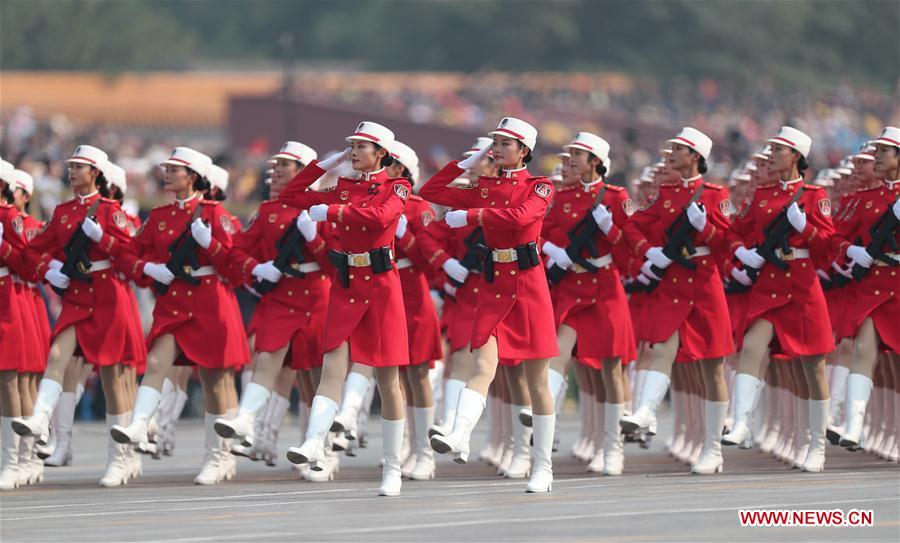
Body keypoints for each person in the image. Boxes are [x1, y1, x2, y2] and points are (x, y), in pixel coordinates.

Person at [419, 117, 559, 493]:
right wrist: (467, 162)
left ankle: (542, 466)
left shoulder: (540, 185)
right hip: (495, 284)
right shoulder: (483, 187)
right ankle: (459, 432)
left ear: (524, 150)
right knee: (483, 364)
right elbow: (431, 189)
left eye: (504, 143)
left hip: (529, 286)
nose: (496, 148)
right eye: (493, 142)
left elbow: (522, 217)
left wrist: (474, 215)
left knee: (537, 381)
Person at [279, 122, 412, 497]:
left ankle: (392, 468)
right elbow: (292, 195)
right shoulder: (343, 186)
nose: (353, 152)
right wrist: (324, 165)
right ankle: (313, 441)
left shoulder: (397, 186)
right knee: (332, 367)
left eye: (360, 147)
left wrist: (333, 211)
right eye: (350, 146)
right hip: (347, 284)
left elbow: (380, 218)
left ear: (381, 154)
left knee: (388, 380)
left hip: (382, 286)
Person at [108, 147, 248, 485]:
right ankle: (140, 423)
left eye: (175, 169)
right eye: (167, 169)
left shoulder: (216, 215)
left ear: (193, 177)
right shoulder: (158, 216)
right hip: (174, 303)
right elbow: (126, 255)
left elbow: (236, 267)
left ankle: (219, 456)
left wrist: (210, 243)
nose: (168, 173)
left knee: (215, 382)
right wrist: (149, 268)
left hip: (210, 301)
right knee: (156, 363)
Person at [12, 145, 145, 487]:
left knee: (113, 378)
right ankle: (41, 420)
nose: (72, 172)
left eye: (79, 167)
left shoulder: (112, 211)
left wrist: (105, 239)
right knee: (57, 355)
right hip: (77, 295)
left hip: (107, 295)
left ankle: (120, 457)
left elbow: (132, 253)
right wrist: (49, 268)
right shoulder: (63, 212)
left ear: (95, 174)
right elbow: (34, 249)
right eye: (70, 167)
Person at [620, 127, 733, 475]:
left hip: (703, 281)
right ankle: (645, 410)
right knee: (661, 347)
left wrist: (707, 228)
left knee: (712, 368)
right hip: (672, 280)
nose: (669, 154)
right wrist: (648, 251)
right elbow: (632, 226)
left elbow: (727, 243)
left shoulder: (716, 194)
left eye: (678, 150)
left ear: (695, 156)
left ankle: (712, 448)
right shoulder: (665, 193)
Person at [723, 127, 834, 472]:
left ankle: (815, 443)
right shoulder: (762, 195)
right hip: (769, 283)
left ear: (796, 157)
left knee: (812, 370)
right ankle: (741, 421)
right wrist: (742, 252)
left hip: (801, 286)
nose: (770, 154)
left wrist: (806, 228)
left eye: (778, 149)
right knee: (752, 348)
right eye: (770, 148)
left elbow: (828, 248)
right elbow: (733, 231)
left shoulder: (815, 196)